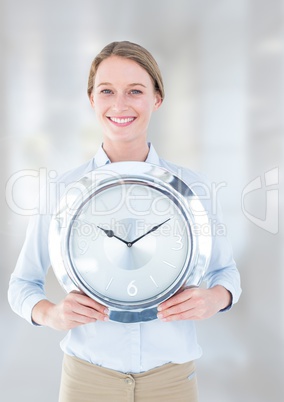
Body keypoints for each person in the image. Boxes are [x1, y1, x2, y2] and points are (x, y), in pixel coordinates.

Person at [8, 41, 241, 402]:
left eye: (135, 91)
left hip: (172, 381)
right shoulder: (62, 191)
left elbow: (226, 273)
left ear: (157, 99)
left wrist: (216, 297)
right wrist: (51, 314)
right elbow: (21, 285)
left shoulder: (193, 188)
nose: (120, 104)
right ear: (92, 100)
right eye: (107, 91)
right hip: (87, 381)